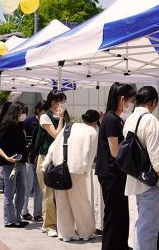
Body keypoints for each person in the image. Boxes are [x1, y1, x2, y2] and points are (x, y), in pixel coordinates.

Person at [123, 86, 159, 250]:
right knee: (148, 227)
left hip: (134, 178)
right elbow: (156, 156)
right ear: (153, 102)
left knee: (142, 224)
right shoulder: (150, 120)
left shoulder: (130, 119)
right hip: (149, 181)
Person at [96, 82, 136, 250]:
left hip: (115, 174)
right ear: (122, 99)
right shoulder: (111, 120)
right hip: (111, 175)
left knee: (120, 217)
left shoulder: (115, 118)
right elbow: (114, 151)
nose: (131, 104)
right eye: (130, 100)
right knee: (113, 217)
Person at [43, 110, 100, 242]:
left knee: (62, 201)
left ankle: (65, 233)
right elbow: (91, 155)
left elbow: (55, 144)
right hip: (77, 168)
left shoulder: (70, 126)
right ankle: (85, 232)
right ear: (96, 122)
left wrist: (46, 163)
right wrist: (86, 171)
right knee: (80, 201)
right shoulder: (93, 132)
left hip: (60, 166)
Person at [35, 91, 70, 237]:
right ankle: (48, 225)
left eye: (64, 101)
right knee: (48, 193)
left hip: (59, 158)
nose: (62, 104)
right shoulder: (45, 116)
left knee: (58, 194)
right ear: (53, 102)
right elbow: (56, 135)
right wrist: (61, 119)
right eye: (60, 101)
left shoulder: (62, 115)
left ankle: (56, 222)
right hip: (45, 159)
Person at [0, 102, 29, 228]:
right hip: (9, 164)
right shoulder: (6, 127)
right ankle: (9, 219)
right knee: (9, 191)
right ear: (15, 113)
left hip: (20, 163)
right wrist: (7, 158)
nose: (22, 115)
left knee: (22, 190)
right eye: (21, 112)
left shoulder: (20, 126)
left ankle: (17, 216)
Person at [22, 101, 45, 222]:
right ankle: (24, 211)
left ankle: (38, 213)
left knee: (39, 188)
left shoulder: (46, 123)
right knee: (27, 187)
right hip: (30, 159)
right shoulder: (29, 122)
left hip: (40, 160)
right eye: (42, 110)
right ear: (37, 110)